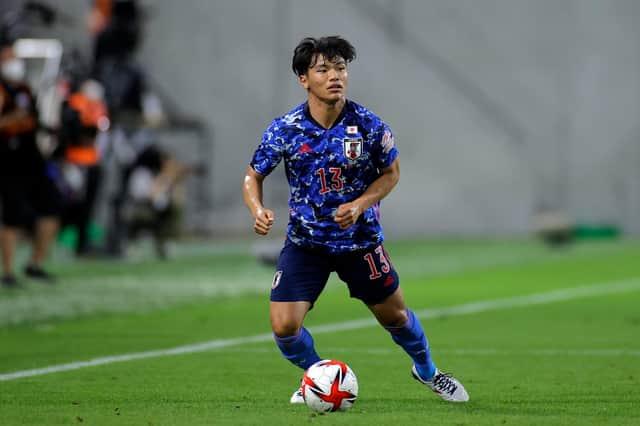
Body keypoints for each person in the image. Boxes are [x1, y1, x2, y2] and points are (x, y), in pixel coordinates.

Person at [242, 36, 469, 403]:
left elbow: (391, 173)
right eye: (324, 69)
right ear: (304, 79)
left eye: (341, 68)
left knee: (396, 317)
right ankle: (318, 377)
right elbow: (253, 176)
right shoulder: (285, 129)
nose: (335, 76)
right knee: (284, 327)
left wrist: (361, 204)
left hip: (360, 242)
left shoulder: (368, 125)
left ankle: (428, 371)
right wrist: (258, 209)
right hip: (305, 244)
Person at [0, 41, 60, 287]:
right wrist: (12, 119)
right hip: (7, 158)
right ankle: (8, 271)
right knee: (11, 215)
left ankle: (35, 263)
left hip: (31, 158)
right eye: (9, 56)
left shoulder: (24, 89)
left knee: (52, 205)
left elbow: (34, 121)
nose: (14, 62)